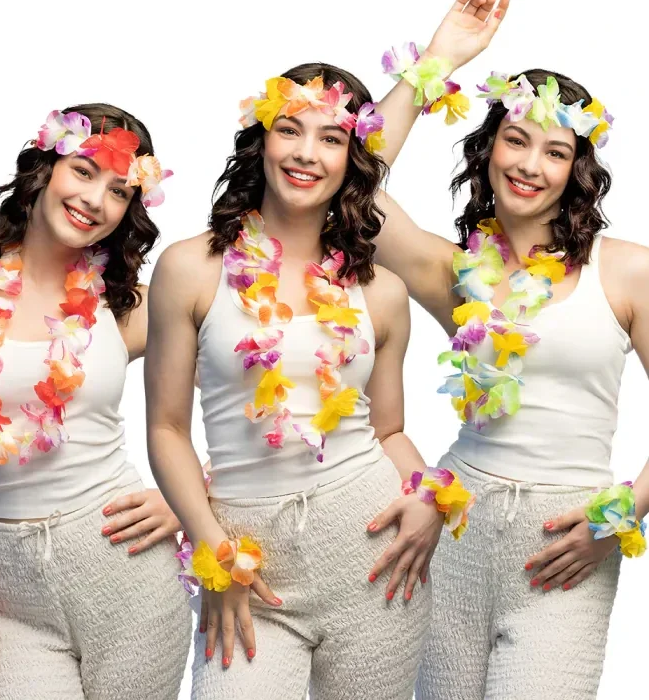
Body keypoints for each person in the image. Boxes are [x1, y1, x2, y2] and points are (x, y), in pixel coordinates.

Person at [144, 62, 477, 700]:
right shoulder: (191, 269)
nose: (305, 153)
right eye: (290, 130)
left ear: (353, 157)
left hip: (372, 560)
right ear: (261, 139)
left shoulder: (381, 291)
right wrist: (216, 555)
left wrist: (429, 495)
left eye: (331, 138)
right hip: (247, 561)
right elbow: (165, 428)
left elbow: (389, 431)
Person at [371, 1, 648, 697]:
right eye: (515, 140)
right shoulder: (451, 270)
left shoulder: (627, 271)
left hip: (566, 541)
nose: (529, 165)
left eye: (555, 151)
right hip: (457, 529)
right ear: (487, 149)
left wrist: (622, 515)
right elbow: (350, 183)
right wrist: (440, 58)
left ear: (578, 169)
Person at [0, 104, 190, 700]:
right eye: (83, 171)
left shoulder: (129, 308)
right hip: (5, 594)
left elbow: (268, 376)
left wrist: (194, 494)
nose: (95, 200)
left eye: (119, 191)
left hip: (125, 572)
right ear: (44, 169)